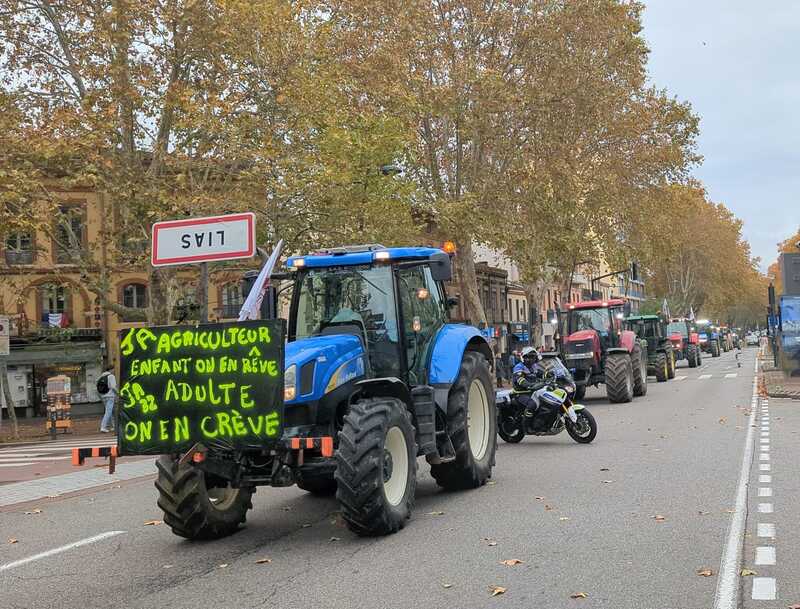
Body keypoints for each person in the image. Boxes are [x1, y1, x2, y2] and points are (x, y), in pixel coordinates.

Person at [512, 347, 547, 420]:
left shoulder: (534, 366)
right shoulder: (519, 367)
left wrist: (549, 374)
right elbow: (519, 379)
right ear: (524, 357)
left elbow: (540, 374)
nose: (531, 359)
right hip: (521, 393)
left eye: (533, 357)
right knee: (532, 404)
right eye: (529, 357)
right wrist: (529, 385)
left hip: (532, 392)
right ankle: (526, 425)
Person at [97, 363, 117, 433]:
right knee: (108, 412)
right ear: (111, 369)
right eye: (114, 369)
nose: (114, 371)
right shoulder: (111, 376)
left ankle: (113, 426)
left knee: (109, 411)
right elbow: (113, 387)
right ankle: (103, 427)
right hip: (110, 396)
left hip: (103, 396)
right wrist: (118, 393)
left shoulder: (101, 376)